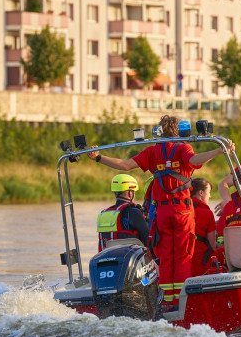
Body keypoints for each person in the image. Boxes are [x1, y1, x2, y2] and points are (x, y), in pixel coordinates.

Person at [88, 115, 233, 311]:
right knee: (182, 257)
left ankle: (165, 303)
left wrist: (98, 157)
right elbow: (195, 160)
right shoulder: (183, 148)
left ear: (161, 131)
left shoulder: (153, 150)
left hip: (162, 211)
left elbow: (125, 165)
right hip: (181, 210)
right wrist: (219, 150)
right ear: (179, 131)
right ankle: (180, 303)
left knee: (165, 257)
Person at [97, 174, 150, 252]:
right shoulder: (134, 212)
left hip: (105, 259)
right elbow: (148, 240)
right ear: (130, 193)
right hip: (128, 260)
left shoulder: (103, 213)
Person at [190, 177, 217, 276]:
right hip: (199, 263)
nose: (209, 196)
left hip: (181, 260)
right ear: (201, 193)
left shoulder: (181, 208)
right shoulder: (206, 213)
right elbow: (212, 245)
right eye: (208, 192)